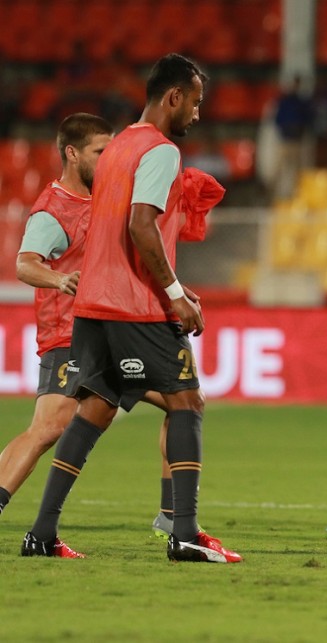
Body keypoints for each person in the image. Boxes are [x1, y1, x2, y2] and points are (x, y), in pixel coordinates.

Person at [21, 53, 241, 564]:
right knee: (187, 403)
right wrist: (174, 294)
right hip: (135, 306)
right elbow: (141, 225)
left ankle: (41, 532)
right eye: (195, 103)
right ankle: (183, 532)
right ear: (173, 98)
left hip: (93, 307)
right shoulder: (161, 151)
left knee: (92, 413)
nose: (198, 115)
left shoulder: (118, 145)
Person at [0, 114, 170, 544]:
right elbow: (25, 263)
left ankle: (172, 515)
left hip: (110, 333)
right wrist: (59, 279)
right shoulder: (52, 210)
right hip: (68, 337)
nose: (108, 158)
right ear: (72, 154)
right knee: (49, 428)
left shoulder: (106, 199)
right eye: (100, 151)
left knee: (183, 401)